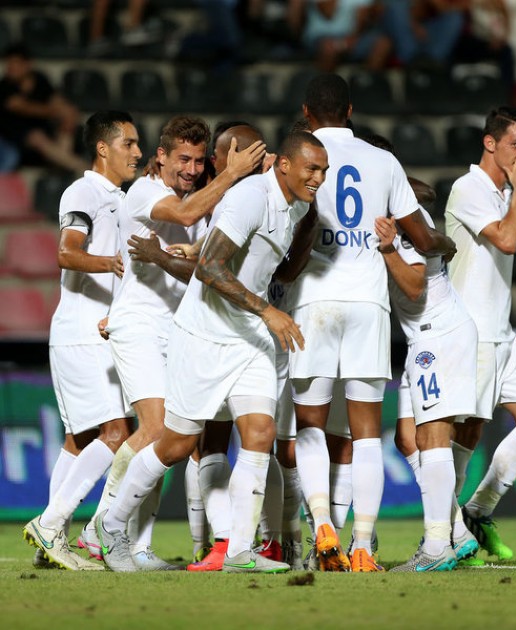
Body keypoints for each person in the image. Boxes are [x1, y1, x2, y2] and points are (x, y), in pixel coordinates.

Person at [93, 131, 329, 574]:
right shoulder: (251, 198)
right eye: (311, 169)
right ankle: (110, 524)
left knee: (260, 432)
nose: (318, 178)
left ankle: (239, 550)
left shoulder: (297, 205)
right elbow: (210, 268)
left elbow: (260, 263)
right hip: (204, 335)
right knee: (177, 444)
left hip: (249, 338)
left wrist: (310, 217)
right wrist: (268, 310)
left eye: (323, 171)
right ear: (284, 165)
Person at [78, 115, 266, 571]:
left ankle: (136, 545)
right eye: (183, 158)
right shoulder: (146, 192)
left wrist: (177, 253)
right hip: (140, 326)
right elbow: (184, 215)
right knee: (156, 429)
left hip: (179, 333)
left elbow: (203, 265)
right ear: (160, 156)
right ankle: (99, 527)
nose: (191, 168)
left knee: (171, 443)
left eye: (199, 161)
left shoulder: (203, 199)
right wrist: (231, 174)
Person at [286, 73, 456, 572]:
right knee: (365, 435)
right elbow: (421, 237)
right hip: (369, 305)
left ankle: (322, 525)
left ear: (306, 113)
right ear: (351, 111)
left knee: (311, 426)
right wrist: (444, 243)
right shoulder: (383, 161)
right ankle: (362, 545)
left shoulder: (302, 161)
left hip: (314, 301)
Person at [22, 110, 142, 571]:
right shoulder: (83, 192)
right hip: (82, 332)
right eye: (129, 143)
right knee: (117, 433)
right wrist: (110, 262)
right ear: (102, 148)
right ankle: (51, 524)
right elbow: (66, 252)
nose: (136, 152)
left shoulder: (120, 198)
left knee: (79, 439)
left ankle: (50, 542)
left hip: (96, 332)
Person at [444, 105, 516, 561]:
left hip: (501, 331)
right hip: (473, 330)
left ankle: (477, 509)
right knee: (466, 430)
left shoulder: (504, 190)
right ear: (490, 143)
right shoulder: (468, 188)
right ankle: (443, 528)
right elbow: (507, 241)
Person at [375, 185, 479, 572]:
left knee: (433, 436)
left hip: (436, 334)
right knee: (408, 439)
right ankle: (458, 531)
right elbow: (422, 190)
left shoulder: (401, 224)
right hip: (424, 336)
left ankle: (436, 546)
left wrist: (387, 250)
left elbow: (415, 286)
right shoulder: (404, 213)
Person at [0, 43, 88, 174]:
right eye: (9, 63)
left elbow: (55, 99)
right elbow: (24, 108)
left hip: (45, 134)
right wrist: (55, 111)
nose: (12, 67)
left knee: (68, 114)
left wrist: (66, 111)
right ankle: (82, 167)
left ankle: (62, 162)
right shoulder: (4, 86)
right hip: (15, 140)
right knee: (37, 137)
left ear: (27, 64)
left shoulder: (39, 79)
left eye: (16, 63)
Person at [287, 0, 393, 72]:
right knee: (329, 48)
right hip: (320, 37)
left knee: (383, 44)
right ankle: (323, 92)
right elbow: (328, 11)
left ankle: (366, 85)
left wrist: (351, 39)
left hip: (352, 37)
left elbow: (362, 17)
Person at [383, 0, 468, 68]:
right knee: (395, 9)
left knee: (455, 18)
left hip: (431, 28)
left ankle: (431, 62)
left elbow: (463, 5)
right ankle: (412, 61)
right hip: (406, 25)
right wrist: (414, 25)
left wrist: (444, 6)